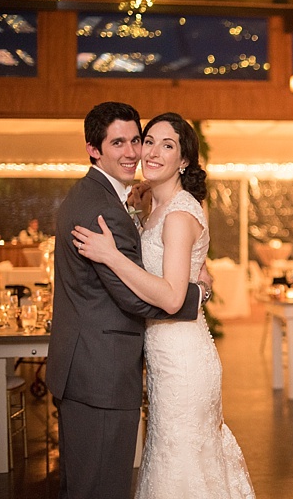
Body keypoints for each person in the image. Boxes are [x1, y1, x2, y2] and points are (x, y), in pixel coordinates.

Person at [70, 112, 252, 497]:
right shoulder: (154, 206)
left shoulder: (179, 214)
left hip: (182, 358)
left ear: (183, 160)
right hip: (163, 355)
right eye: (147, 141)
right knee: (169, 457)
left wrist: (111, 255)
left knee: (182, 462)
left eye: (166, 146)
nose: (150, 152)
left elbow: (171, 297)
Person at [49, 102, 204, 499]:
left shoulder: (102, 197)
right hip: (101, 372)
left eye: (137, 140)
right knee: (99, 487)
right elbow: (132, 300)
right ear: (93, 149)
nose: (134, 152)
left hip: (92, 367)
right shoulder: (102, 208)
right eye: (119, 142)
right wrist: (190, 297)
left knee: (90, 484)